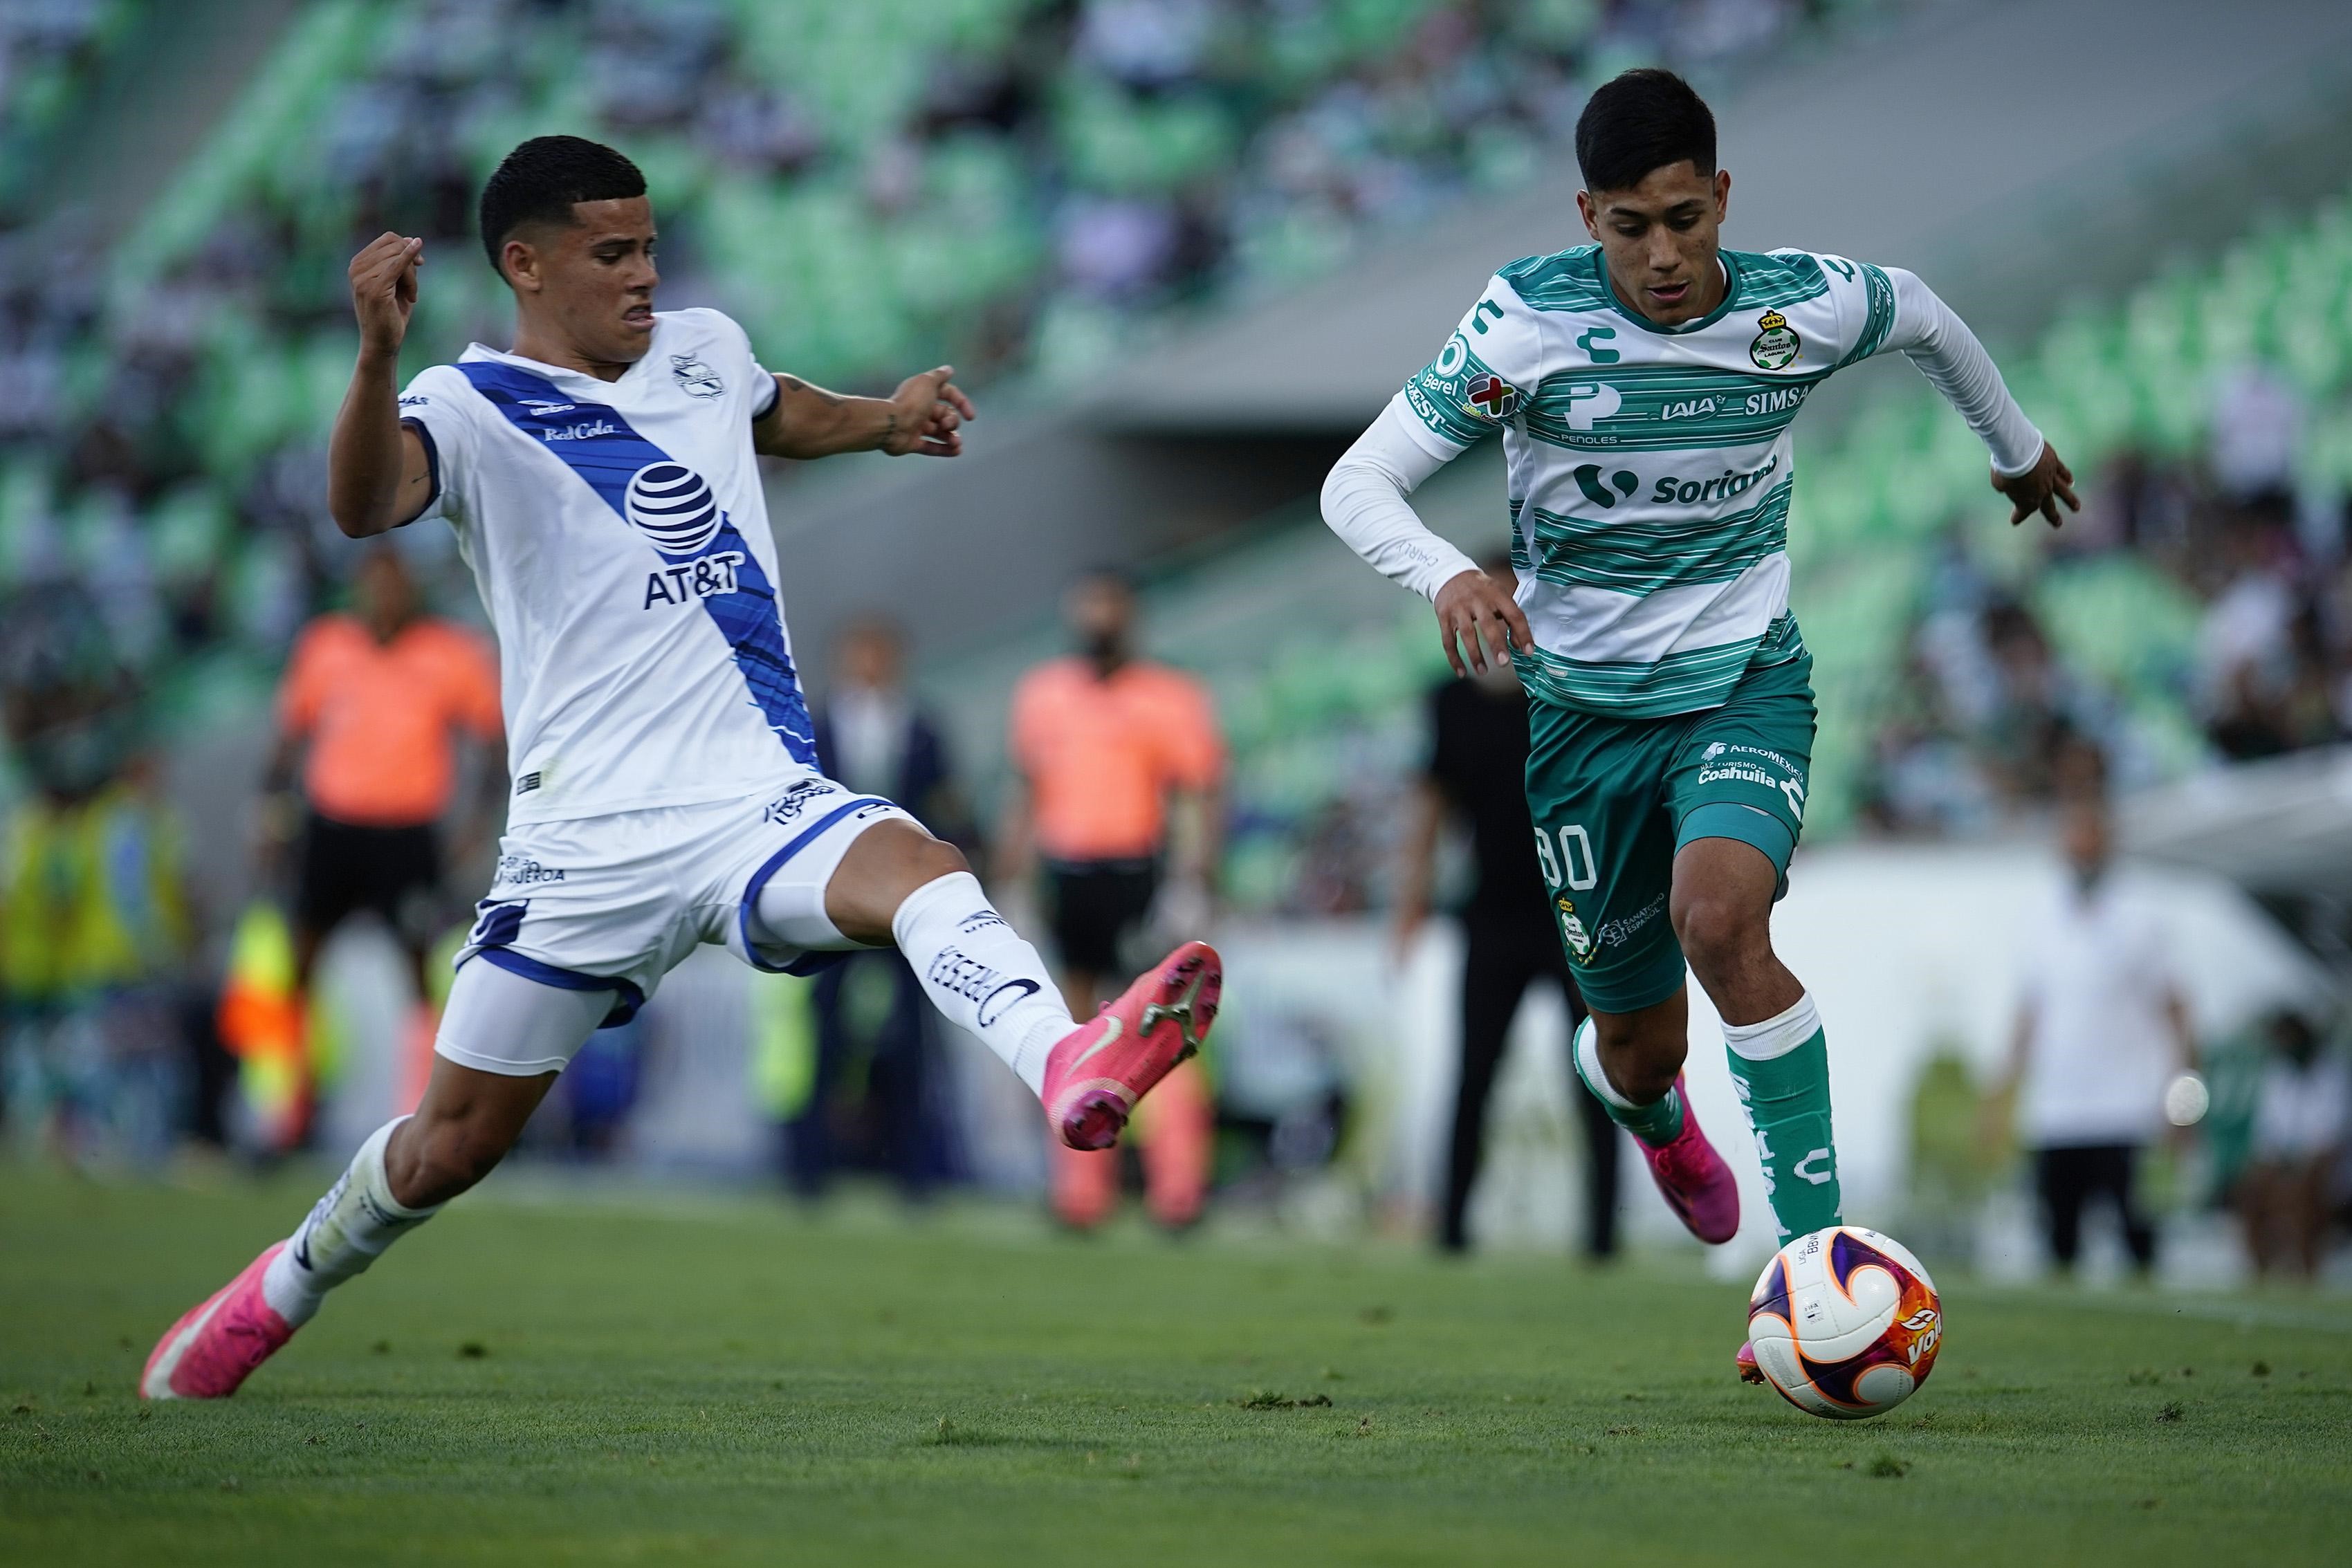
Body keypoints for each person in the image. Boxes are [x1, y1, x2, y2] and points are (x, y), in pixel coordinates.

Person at [140, 136, 1222, 1400]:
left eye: (650, 246)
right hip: (582, 845)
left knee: (923, 866)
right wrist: (376, 356)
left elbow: (775, 408)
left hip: (755, 796)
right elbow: (366, 502)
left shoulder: (702, 347)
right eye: (613, 254)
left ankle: (1064, 1060)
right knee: (447, 1148)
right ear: (526, 266)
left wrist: (886, 422)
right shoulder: (469, 405)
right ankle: (280, 1289)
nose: (646, 274)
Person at [1319, 69, 2076, 1379]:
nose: (1663, 255)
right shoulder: (1526, 325)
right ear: (1588, 218)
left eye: (1684, 218)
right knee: (1638, 1045)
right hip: (1582, 726)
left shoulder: (1798, 305)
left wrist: (2014, 447)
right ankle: (1652, 1111)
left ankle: (1816, 1271)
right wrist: (1445, 573)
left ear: (1722, 196)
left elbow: (1927, 313)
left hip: (1742, 685)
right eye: (1630, 227)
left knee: (1720, 918)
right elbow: (1359, 479)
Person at [1395, 555, 1619, 1261]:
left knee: (1599, 1073)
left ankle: (1602, 1236)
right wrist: (1410, 905)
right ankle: (1452, 1228)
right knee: (1475, 1073)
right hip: (1491, 914)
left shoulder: (1570, 688)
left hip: (1577, 913)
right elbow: (1431, 809)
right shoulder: (1449, 701)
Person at [1000, 570, 1224, 1230]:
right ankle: (1082, 1189)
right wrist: (1011, 876)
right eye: (1089, 604)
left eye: (1109, 605)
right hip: (1066, 871)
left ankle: (1178, 1190)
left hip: (1136, 870)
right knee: (1070, 1026)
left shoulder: (1169, 695)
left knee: (1159, 1026)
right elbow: (1027, 790)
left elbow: (1198, 793)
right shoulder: (1044, 692)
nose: (1098, 617)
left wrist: (1194, 877)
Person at [263, 543, 504, 1122]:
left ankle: (424, 1111)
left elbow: (494, 741)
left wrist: (476, 823)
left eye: (394, 585)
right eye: (374, 585)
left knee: (419, 970)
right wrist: (270, 813)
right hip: (333, 827)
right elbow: (289, 740)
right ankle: (291, 1107)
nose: (383, 598)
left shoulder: (447, 654)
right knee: (300, 962)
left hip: (406, 834)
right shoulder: (326, 646)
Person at [788, 615, 971, 1199]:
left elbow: (946, 803)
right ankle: (810, 1168)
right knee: (825, 1030)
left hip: (905, 898)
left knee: (914, 1036)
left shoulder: (921, 726)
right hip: (832, 896)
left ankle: (914, 1168)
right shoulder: (813, 724)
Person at [1994, 798, 2195, 1279]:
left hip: (2125, 1105)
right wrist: (2003, 1090)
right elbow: (2029, 1011)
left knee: (2136, 1232)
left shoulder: (2141, 914)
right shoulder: (2041, 916)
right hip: (2057, 1106)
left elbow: (2175, 1007)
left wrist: (2183, 1098)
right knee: (2059, 1236)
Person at [2238, 1010, 2347, 1282]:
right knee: (2251, 1188)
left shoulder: (2334, 1074)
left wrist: (2298, 1168)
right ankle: (2259, 1271)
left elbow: (2332, 1137)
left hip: (2329, 1171)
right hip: (2286, 1166)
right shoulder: (2278, 1074)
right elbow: (2269, 1134)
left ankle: (2308, 1270)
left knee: (2305, 1187)